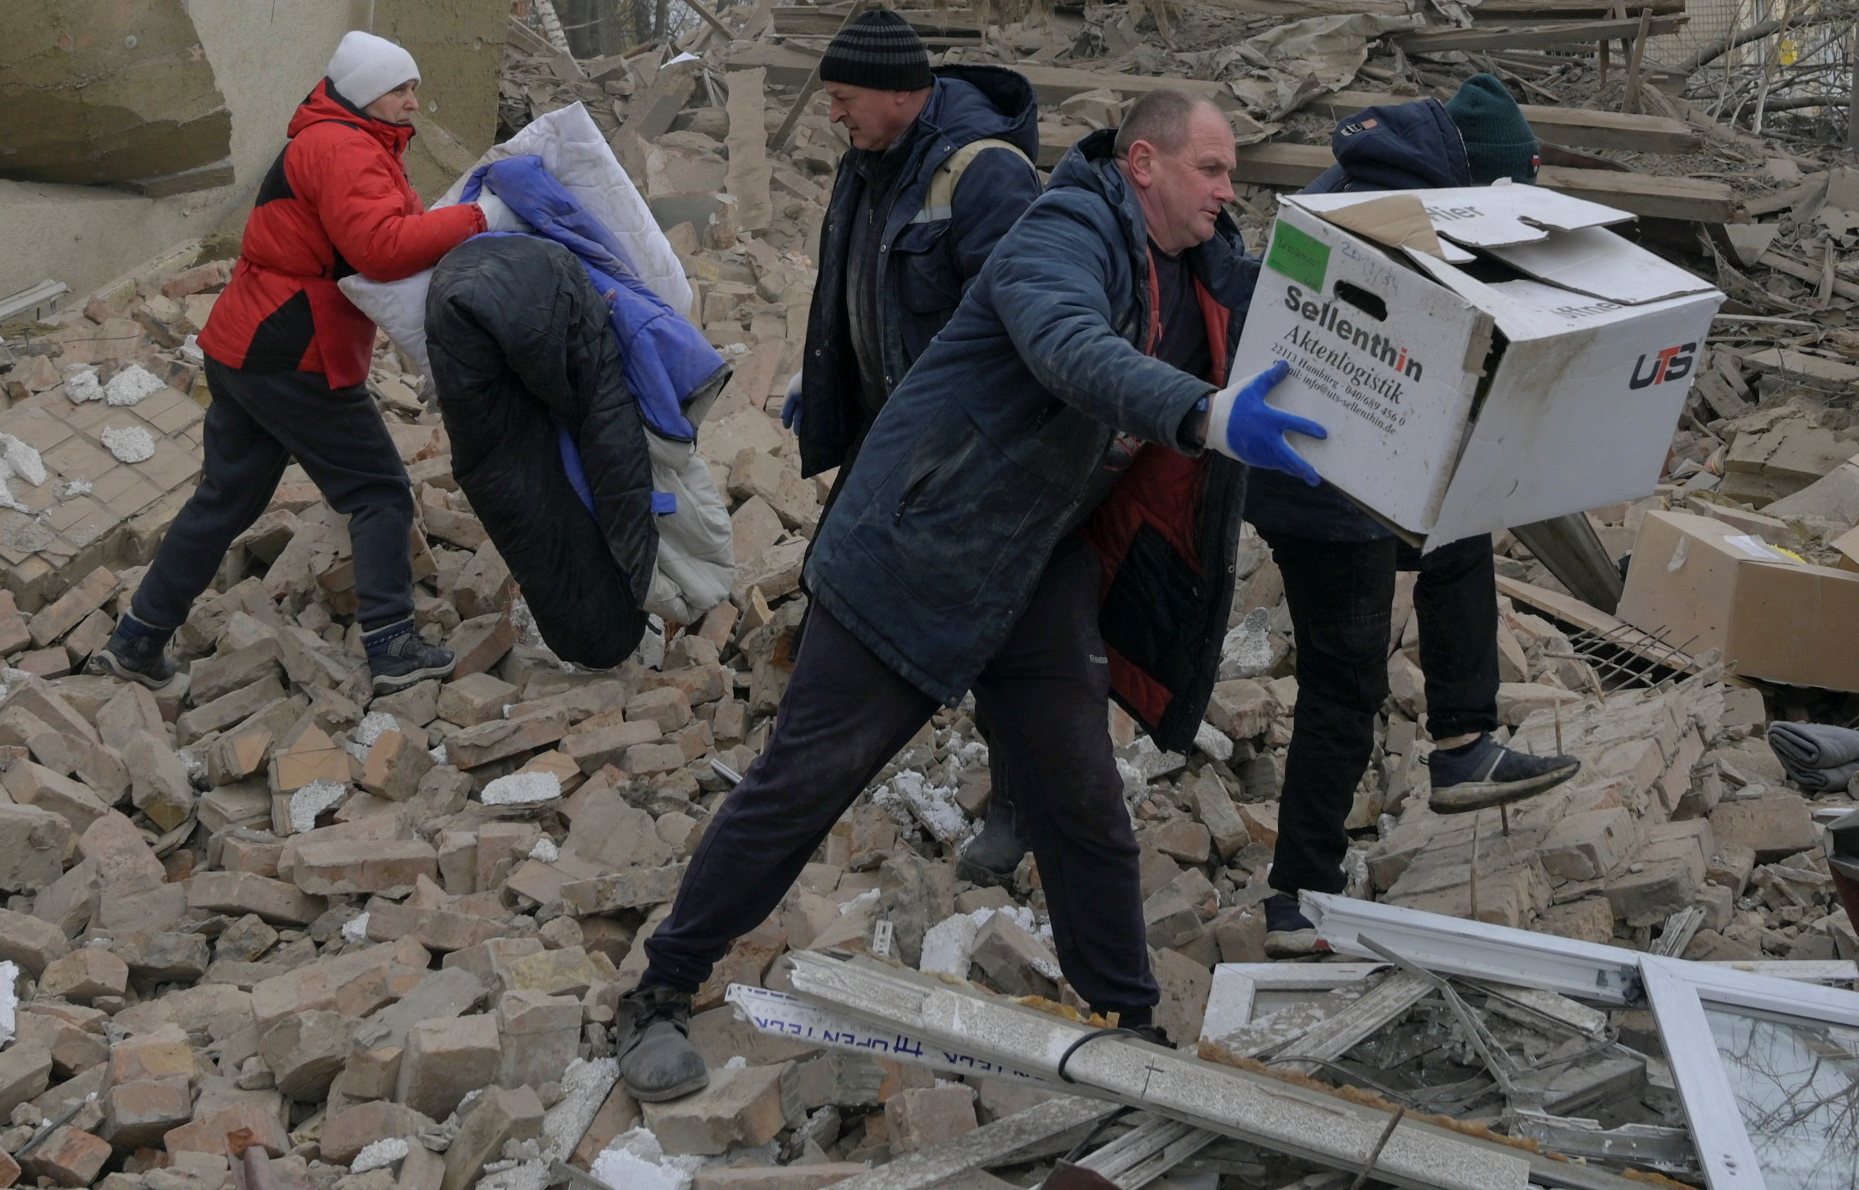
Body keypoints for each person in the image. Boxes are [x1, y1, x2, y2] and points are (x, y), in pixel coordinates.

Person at [611, 92, 1325, 1101]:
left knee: (1079, 798)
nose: (1227, 190)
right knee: (805, 782)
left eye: (1231, 173)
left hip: (1036, 563)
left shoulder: (1203, 266)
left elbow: (1323, 318)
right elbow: (1068, 345)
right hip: (919, 544)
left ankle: (1123, 1022)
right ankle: (657, 992)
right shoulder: (1060, 231)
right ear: (1141, 163)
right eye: (1211, 169)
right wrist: (1201, 413)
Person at [1253, 76, 1576, 954]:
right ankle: (1297, 898)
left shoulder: (1375, 188)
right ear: (1481, 178)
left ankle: (1463, 741)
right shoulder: (1384, 219)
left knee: (1459, 534)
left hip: (1354, 470)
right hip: (1323, 480)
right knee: (1342, 689)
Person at [95, 31, 483, 690]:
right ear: (365, 91)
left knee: (223, 501)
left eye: (414, 87)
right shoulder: (343, 147)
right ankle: (392, 646)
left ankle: (137, 640)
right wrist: (477, 218)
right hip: (293, 351)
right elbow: (381, 248)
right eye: (401, 88)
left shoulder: (338, 138)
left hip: (248, 345)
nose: (413, 103)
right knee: (379, 491)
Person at [791, 6, 1044, 479]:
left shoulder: (987, 172)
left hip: (956, 450)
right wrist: (829, 374)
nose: (834, 114)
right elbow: (863, 291)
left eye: (844, 97)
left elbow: (1005, 335)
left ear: (899, 91)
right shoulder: (864, 165)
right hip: (886, 427)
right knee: (828, 556)